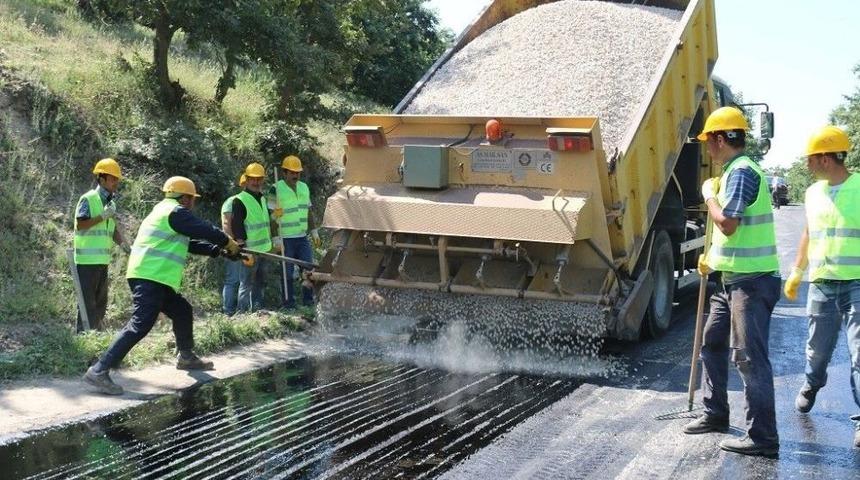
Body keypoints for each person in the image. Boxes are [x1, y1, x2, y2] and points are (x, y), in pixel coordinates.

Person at [83, 176, 242, 395]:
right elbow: (204, 229)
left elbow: (189, 243)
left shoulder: (165, 212)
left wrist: (218, 251)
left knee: (182, 310)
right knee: (141, 323)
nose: (192, 202)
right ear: (185, 198)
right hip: (151, 276)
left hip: (155, 277)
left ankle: (186, 356)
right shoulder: (175, 212)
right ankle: (99, 370)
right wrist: (228, 242)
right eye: (192, 198)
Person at [683, 106, 781, 457]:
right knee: (711, 343)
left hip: (752, 284)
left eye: (709, 141)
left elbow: (728, 224)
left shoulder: (740, 173)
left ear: (721, 139)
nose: (708, 148)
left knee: (749, 358)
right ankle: (715, 413)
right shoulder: (731, 173)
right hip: (731, 279)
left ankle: (763, 438)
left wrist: (709, 194)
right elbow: (726, 238)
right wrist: (712, 260)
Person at [784, 125, 860, 449]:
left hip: (857, 282)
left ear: (827, 158)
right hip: (822, 284)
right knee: (817, 351)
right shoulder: (813, 193)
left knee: (859, 354)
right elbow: (808, 232)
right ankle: (813, 383)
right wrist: (797, 270)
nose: (807, 165)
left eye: (811, 159)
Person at [73, 158, 130, 332]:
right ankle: (84, 342)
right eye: (113, 179)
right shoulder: (88, 199)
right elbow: (80, 224)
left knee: (100, 304)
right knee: (86, 305)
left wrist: (125, 246)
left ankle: (95, 339)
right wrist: (102, 217)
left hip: (102, 261)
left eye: (117, 179)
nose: (116, 183)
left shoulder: (110, 203)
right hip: (86, 261)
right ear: (102, 179)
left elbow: (110, 229)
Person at [271, 155, 321, 309]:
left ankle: (308, 302)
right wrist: (275, 238)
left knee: (308, 269)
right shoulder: (275, 189)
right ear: (284, 173)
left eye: (297, 172)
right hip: (285, 238)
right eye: (292, 172)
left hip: (301, 237)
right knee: (287, 272)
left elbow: (308, 211)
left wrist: (314, 231)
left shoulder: (304, 187)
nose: (295, 175)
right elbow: (270, 214)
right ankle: (288, 304)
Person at [231, 163, 273, 312]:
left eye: (259, 179)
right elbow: (237, 225)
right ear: (247, 180)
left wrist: (275, 215)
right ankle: (242, 313)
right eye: (252, 179)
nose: (256, 182)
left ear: (263, 180)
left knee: (261, 282)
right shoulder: (239, 200)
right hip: (250, 249)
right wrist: (243, 249)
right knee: (246, 283)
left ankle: (257, 310)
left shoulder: (262, 198)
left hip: (265, 249)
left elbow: (264, 222)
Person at [221, 174, 246, 316]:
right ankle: (228, 312)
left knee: (244, 280)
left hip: (243, 245)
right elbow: (226, 224)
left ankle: (242, 312)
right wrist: (232, 244)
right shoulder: (232, 202)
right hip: (233, 246)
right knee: (233, 279)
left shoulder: (243, 201)